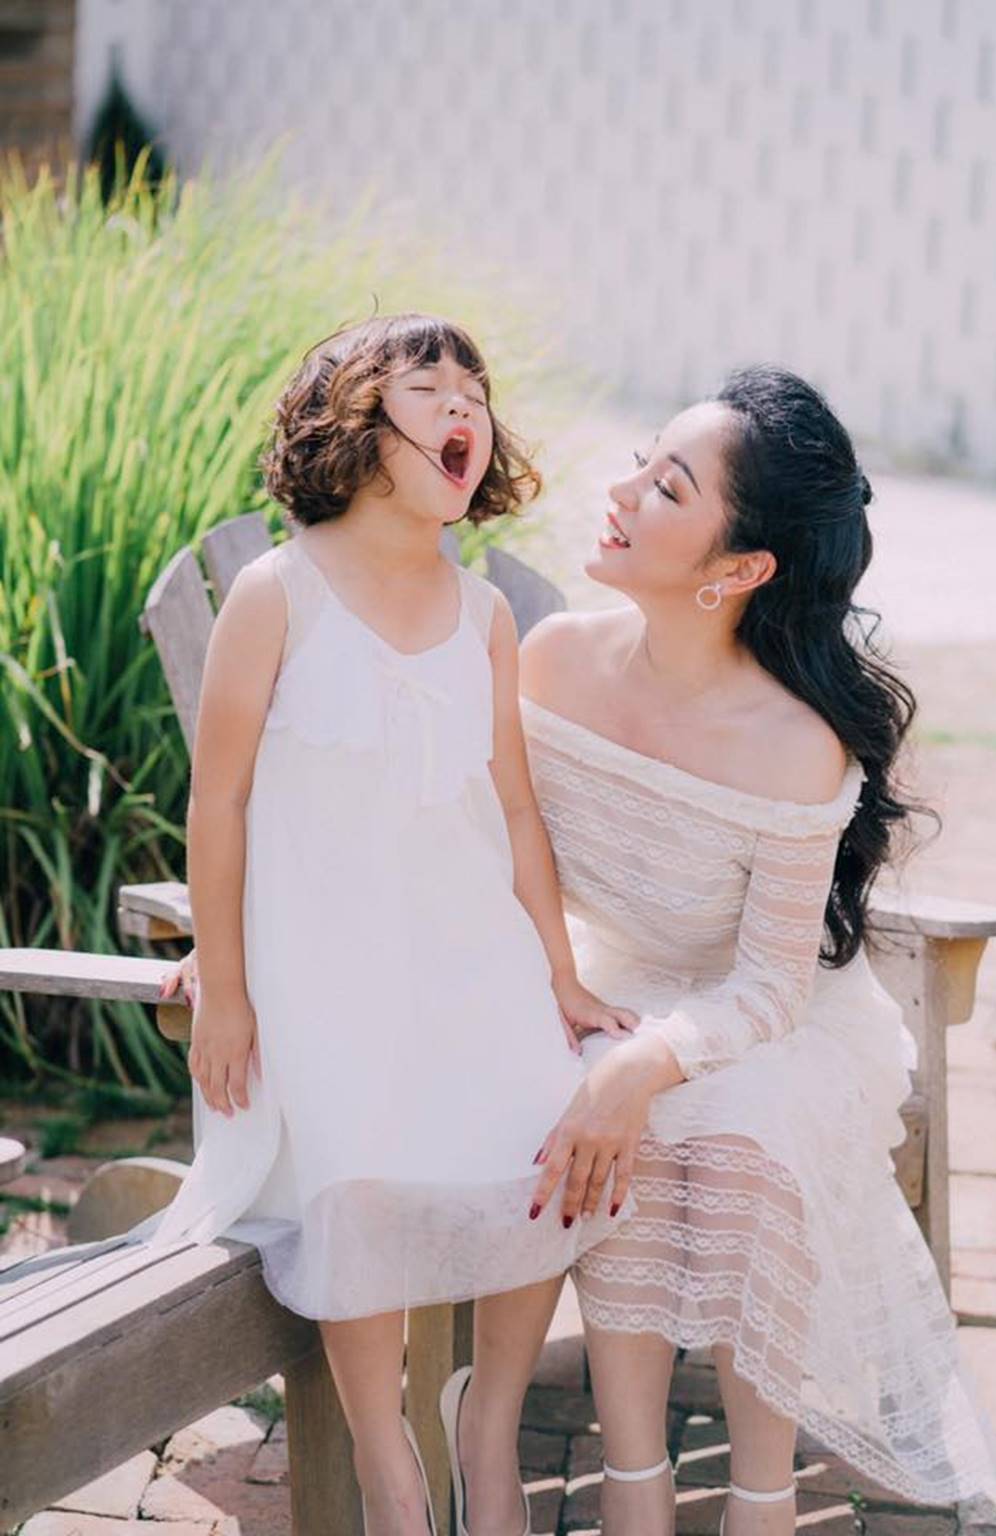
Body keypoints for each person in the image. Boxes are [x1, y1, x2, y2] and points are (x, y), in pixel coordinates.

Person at [138, 313, 639, 1536]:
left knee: (551, 1130)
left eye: (476, 388)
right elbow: (220, 800)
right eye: (428, 386)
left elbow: (513, 812)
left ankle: (485, 1424)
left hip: (468, 956)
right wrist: (229, 984)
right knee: (353, 1164)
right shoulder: (277, 592)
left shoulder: (485, 615)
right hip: (321, 973)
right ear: (351, 425)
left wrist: (559, 975)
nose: (463, 404)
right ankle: (385, 1460)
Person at [518, 365, 996, 1535]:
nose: (621, 492)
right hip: (597, 981)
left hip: (761, 1013)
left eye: (666, 487)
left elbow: (773, 986)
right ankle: (631, 1487)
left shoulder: (793, 743)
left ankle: (759, 1496)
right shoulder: (550, 662)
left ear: (737, 570)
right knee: (614, 1116)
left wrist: (645, 1064)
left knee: (742, 1126)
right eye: (640, 462)